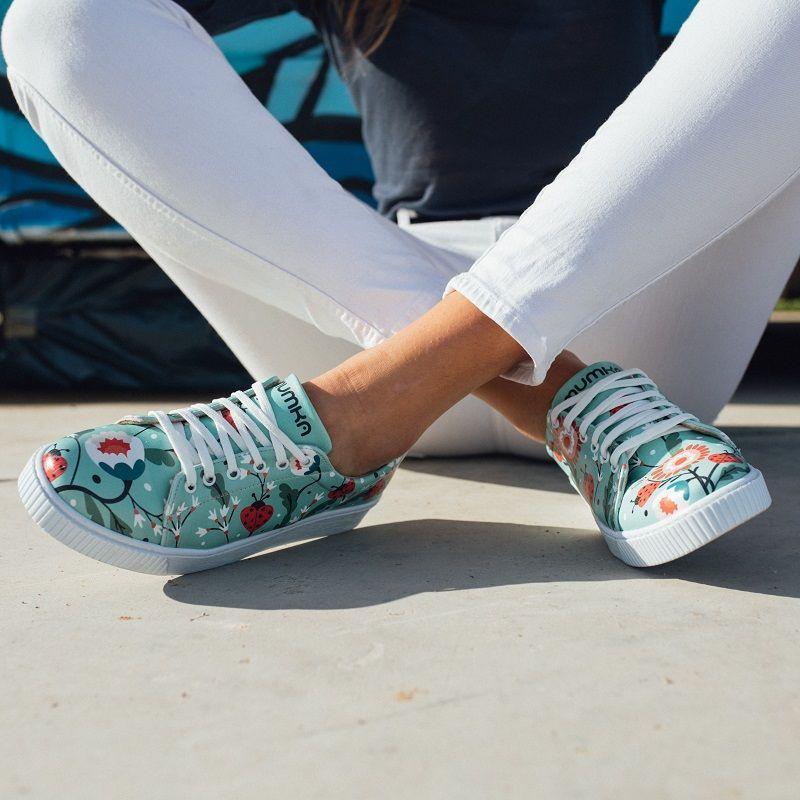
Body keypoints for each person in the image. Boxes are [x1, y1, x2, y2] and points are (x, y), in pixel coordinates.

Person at [5, 0, 797, 574]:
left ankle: (350, 421)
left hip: (620, 316)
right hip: (382, 327)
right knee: (57, 23)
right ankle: (557, 399)